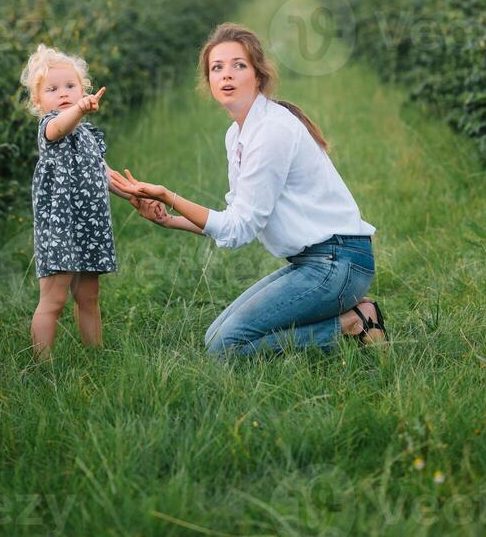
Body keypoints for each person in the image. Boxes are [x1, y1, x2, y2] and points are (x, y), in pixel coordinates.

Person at [110, 22, 387, 357]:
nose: (226, 75)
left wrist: (170, 196)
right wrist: (169, 219)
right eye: (217, 68)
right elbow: (236, 219)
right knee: (215, 336)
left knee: (224, 348)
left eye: (238, 65)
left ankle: (354, 322)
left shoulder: (271, 130)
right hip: (317, 262)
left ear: (258, 76)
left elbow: (240, 230)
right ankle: (348, 316)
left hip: (337, 263)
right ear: (208, 81)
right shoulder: (238, 135)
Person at [20, 43, 161, 361]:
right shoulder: (51, 128)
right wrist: (80, 108)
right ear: (39, 101)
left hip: (89, 227)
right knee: (53, 300)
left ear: (83, 88)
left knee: (89, 295)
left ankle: (95, 356)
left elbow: (105, 174)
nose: (63, 93)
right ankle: (42, 365)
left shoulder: (86, 135)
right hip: (61, 228)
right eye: (52, 89)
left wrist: (134, 195)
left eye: (71, 86)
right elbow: (61, 124)